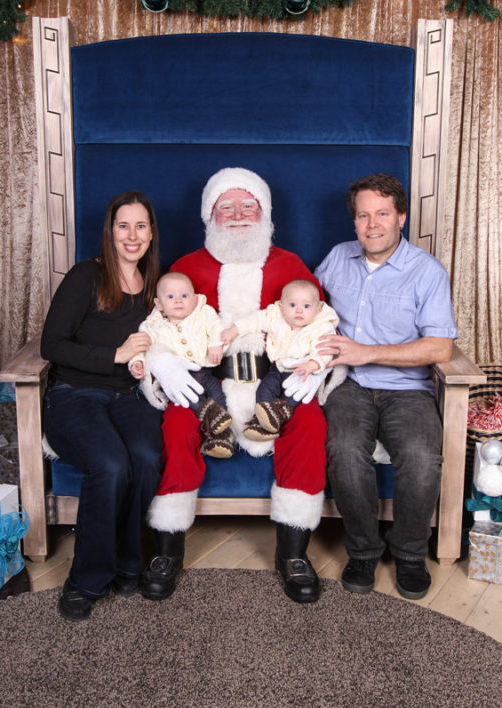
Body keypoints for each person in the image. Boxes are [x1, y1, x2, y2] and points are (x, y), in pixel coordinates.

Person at [138, 167, 337, 604]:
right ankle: (167, 550)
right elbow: (157, 328)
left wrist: (318, 366)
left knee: (310, 424)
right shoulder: (186, 269)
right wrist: (164, 364)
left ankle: (294, 553)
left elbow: (321, 325)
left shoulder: (290, 267)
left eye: (248, 205)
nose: (238, 214)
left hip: (277, 381)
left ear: (264, 213)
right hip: (206, 381)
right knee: (175, 424)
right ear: (210, 215)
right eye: (226, 207)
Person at [314, 173, 458, 600]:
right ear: (354, 221)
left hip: (407, 388)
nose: (372, 224)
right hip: (346, 383)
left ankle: (410, 553)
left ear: (401, 217)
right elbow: (304, 304)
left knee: (419, 455)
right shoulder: (337, 258)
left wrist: (366, 351)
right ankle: (362, 550)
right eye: (363, 215)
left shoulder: (426, 272)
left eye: (382, 214)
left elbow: (440, 348)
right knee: (342, 448)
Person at [41, 191, 163, 621]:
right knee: (110, 464)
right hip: (75, 394)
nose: (133, 235)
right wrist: (114, 353)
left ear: (151, 233)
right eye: (123, 225)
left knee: (147, 456)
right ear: (110, 231)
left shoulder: (154, 284)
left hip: (127, 396)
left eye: (141, 226)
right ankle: (87, 578)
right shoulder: (85, 276)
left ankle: (129, 562)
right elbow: (51, 344)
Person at [221, 279, 342, 440]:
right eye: (292, 305)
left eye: (306, 306)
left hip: (302, 373)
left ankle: (276, 417)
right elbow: (255, 320)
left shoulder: (322, 326)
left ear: (318, 310)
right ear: (281, 307)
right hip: (278, 368)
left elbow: (326, 349)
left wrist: (313, 364)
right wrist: (234, 330)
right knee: (264, 391)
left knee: (292, 398)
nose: (299, 311)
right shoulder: (275, 316)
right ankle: (262, 421)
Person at [129, 272, 233, 458]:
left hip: (204, 372)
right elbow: (142, 347)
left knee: (219, 396)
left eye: (184, 296)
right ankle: (208, 414)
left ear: (194, 299)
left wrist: (215, 343)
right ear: (159, 304)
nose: (178, 300)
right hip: (175, 378)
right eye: (171, 297)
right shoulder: (152, 326)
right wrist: (137, 361)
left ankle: (222, 437)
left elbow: (216, 327)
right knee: (187, 400)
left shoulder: (203, 313)